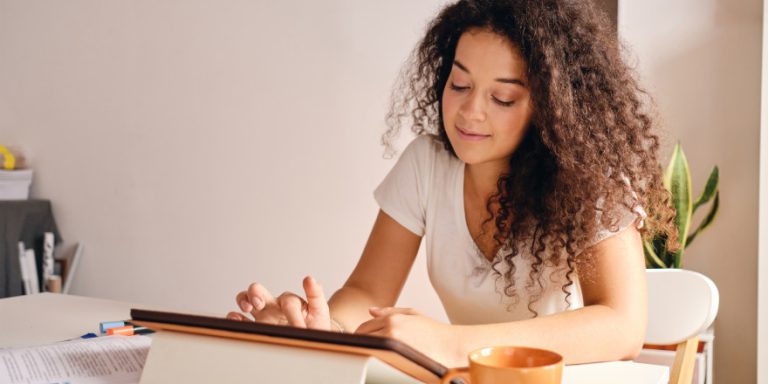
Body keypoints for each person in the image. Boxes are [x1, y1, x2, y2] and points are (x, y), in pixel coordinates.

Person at [227, 0, 677, 368]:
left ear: (550, 107)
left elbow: (622, 325)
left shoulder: (588, 181)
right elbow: (367, 293)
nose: (470, 112)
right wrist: (323, 328)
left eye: (502, 97)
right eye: (459, 84)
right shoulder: (427, 164)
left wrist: (451, 343)